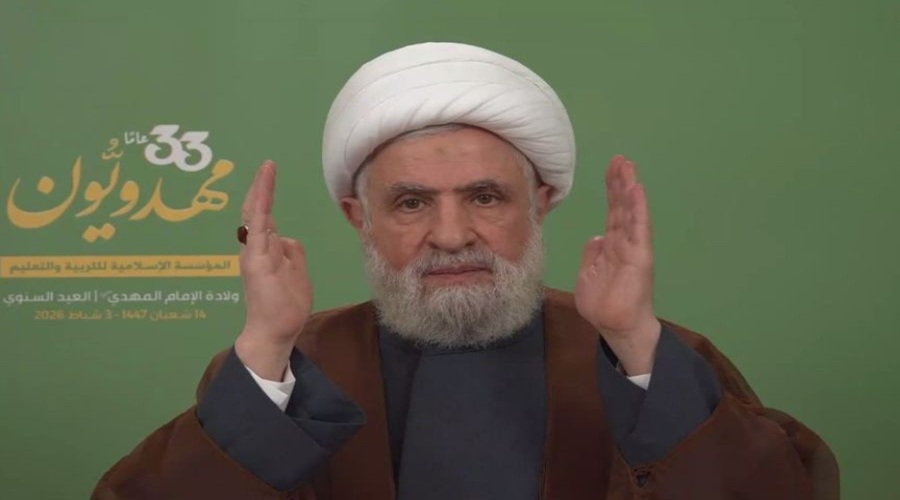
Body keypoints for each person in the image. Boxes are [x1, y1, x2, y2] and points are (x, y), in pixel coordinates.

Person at [93, 42, 838, 500]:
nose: (451, 236)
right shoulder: (292, 366)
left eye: (485, 197)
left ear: (538, 203)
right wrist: (263, 349)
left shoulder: (651, 357)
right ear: (359, 218)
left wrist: (637, 344)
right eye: (411, 203)